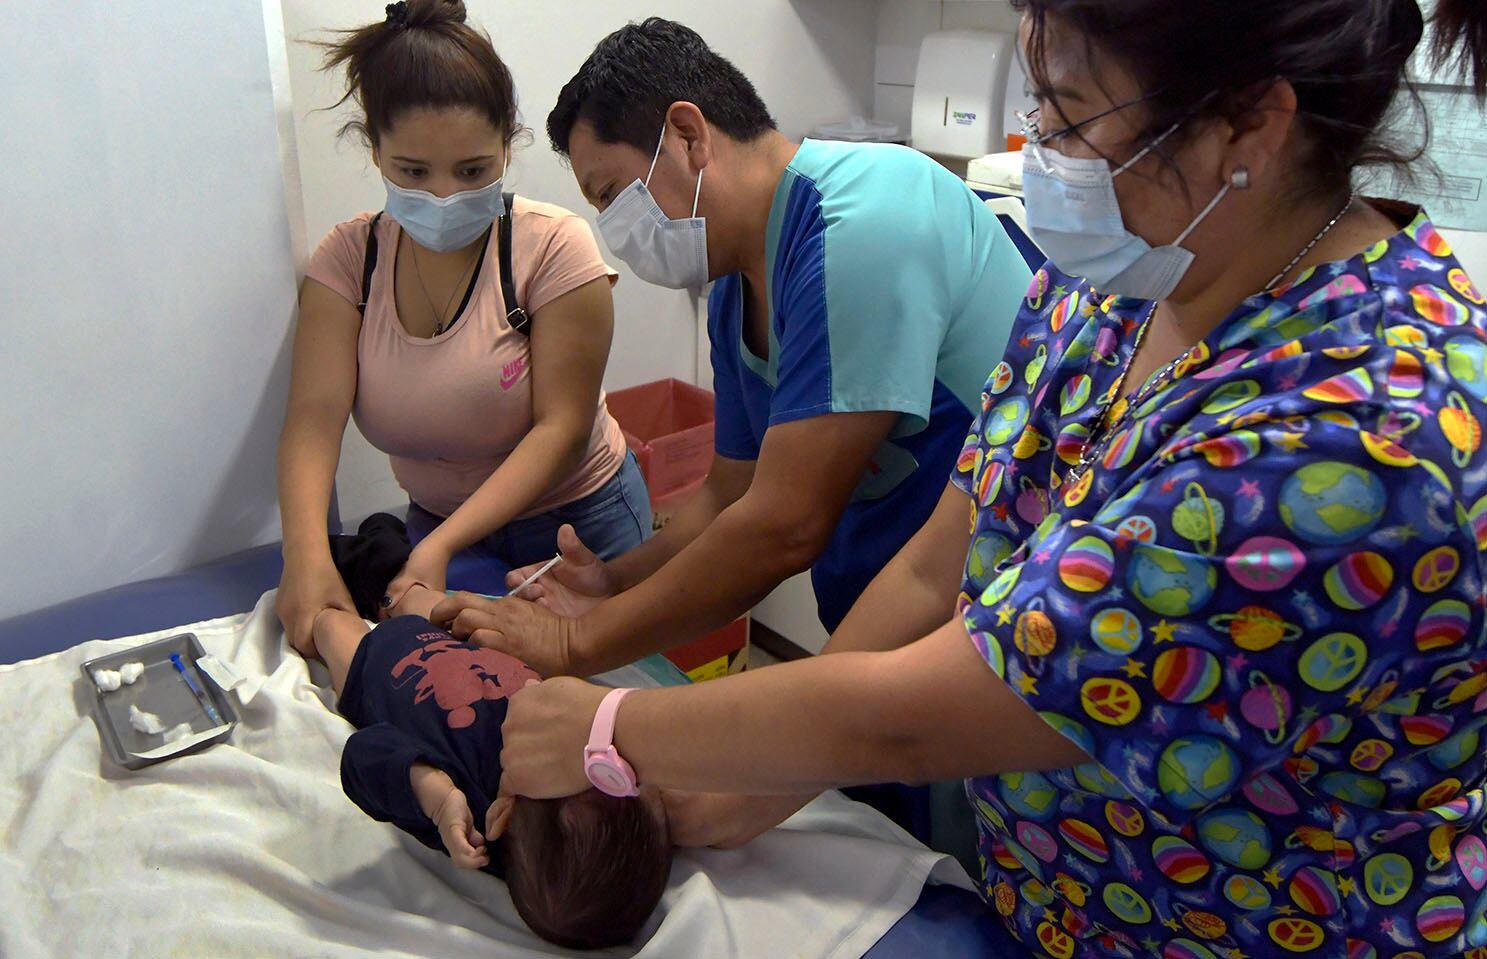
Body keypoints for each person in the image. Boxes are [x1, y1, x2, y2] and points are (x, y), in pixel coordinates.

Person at [485, 2, 1487, 956]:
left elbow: (938, 703)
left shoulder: (1357, 440)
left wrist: (615, 722)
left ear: (1247, 125)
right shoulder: (1113, 283)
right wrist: (759, 779)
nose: (1032, 144)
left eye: (1065, 110)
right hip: (1044, 900)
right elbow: (938, 563)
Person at [433, 17, 1032, 679]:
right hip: (878, 620)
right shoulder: (734, 287)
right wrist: (612, 581)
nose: (614, 230)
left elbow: (785, 527)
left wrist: (578, 643)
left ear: (687, 135)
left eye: (612, 195)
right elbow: (728, 495)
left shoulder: (862, 224)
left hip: (994, 624)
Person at [275, 0, 649, 656]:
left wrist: (440, 547)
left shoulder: (553, 250)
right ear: (374, 150)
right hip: (438, 527)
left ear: (508, 144)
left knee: (599, 724)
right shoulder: (348, 263)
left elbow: (560, 430)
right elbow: (311, 420)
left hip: (576, 530)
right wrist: (304, 558)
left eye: (472, 171)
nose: (444, 197)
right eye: (413, 173)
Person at [303, 556, 671, 950]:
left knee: (328, 622)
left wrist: (434, 794)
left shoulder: (467, 816)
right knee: (414, 590)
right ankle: (385, 573)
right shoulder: (581, 794)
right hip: (467, 639)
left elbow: (362, 755)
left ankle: (348, 588)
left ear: (502, 814)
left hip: (381, 666)